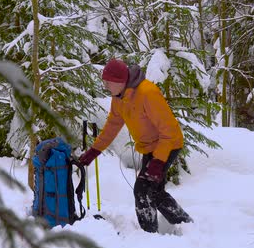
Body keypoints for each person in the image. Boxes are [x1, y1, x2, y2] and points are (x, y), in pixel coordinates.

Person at [79, 58, 193, 233]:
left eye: (107, 82)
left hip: (168, 144)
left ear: (119, 81)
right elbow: (112, 126)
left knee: (142, 189)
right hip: (150, 147)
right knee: (154, 191)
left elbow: (168, 131)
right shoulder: (119, 97)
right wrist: (94, 151)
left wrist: (158, 162)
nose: (105, 86)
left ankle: (148, 235)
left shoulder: (148, 93)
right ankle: (186, 224)